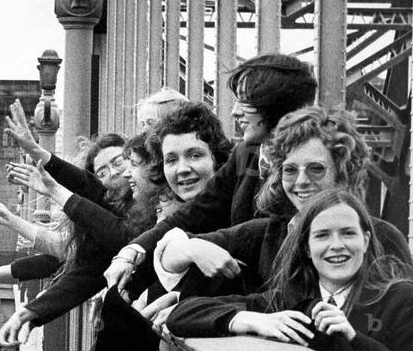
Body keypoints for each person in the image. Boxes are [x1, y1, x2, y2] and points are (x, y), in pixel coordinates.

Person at [0, 103, 231, 345]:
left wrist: (53, 187)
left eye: (128, 163)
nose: (125, 174)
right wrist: (34, 311)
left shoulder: (201, 207)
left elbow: (120, 234)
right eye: (172, 159)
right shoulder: (156, 210)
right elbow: (96, 254)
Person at [104, 54, 319, 298]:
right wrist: (131, 254)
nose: (235, 112)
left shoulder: (307, 177)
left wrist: (186, 254)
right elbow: (195, 213)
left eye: (247, 102)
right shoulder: (245, 154)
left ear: (278, 106)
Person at [154, 107, 411, 297]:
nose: (300, 182)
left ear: (343, 171)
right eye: (290, 170)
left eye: (316, 169)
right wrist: (193, 249)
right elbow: (168, 252)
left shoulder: (383, 238)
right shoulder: (268, 232)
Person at [166, 190, 413, 351]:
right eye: (322, 235)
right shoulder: (288, 301)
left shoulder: (401, 298)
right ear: (306, 246)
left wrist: (354, 338)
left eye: (348, 233)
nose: (336, 245)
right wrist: (248, 319)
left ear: (366, 240)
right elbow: (182, 314)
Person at [0, 132, 128, 292]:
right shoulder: (107, 208)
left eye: (119, 162)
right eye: (102, 173)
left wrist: (37, 154)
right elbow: (64, 253)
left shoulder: (133, 206)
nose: (114, 173)